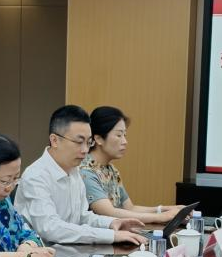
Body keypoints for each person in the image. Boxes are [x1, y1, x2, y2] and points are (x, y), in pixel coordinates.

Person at [14, 105, 146, 246]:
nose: (85, 150)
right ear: (54, 140)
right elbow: (51, 229)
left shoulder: (74, 171)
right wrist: (111, 235)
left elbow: (83, 217)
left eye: (88, 142)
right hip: (42, 255)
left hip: (70, 252)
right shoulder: (36, 176)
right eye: (79, 142)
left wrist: (111, 223)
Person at [81, 106, 183, 225]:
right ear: (98, 138)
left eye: (125, 135)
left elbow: (130, 208)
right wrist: (161, 217)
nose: (125, 141)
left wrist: (165, 210)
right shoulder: (86, 172)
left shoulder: (111, 170)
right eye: (119, 135)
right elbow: (109, 212)